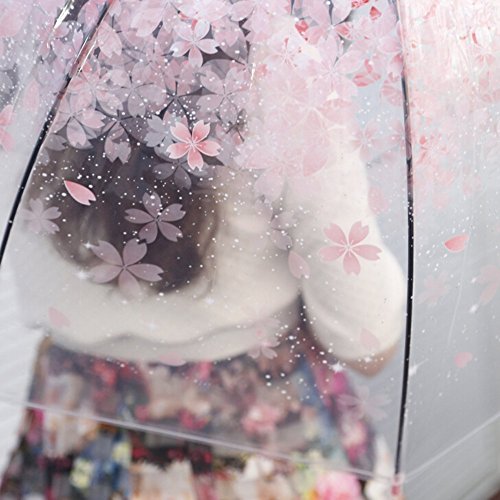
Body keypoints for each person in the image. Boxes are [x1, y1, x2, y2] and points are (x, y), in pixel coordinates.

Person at [0, 0, 406, 498]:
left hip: (75, 427)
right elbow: (366, 338)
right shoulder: (276, 60)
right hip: (259, 438)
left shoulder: (24, 34)